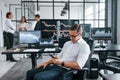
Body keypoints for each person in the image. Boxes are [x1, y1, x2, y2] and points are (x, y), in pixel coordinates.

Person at [26, 24, 90, 80]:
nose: (70, 38)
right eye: (70, 35)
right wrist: (46, 63)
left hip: (67, 71)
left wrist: (61, 63)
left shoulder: (84, 46)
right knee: (29, 73)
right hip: (57, 66)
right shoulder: (67, 43)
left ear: (80, 34)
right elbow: (57, 57)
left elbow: (78, 65)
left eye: (73, 36)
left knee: (38, 77)